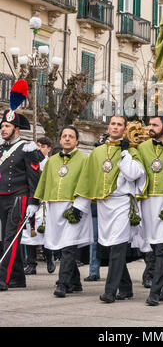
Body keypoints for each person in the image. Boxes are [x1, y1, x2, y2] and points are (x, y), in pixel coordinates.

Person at [74, 115, 146, 303]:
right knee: (110, 246)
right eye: (113, 124)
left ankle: (110, 291)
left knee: (118, 247)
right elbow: (87, 179)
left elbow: (133, 174)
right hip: (104, 205)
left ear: (124, 129)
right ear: (108, 127)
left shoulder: (131, 150)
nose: (115, 127)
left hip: (122, 203)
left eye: (119, 125)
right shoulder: (97, 153)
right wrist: (79, 206)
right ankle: (127, 288)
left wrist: (125, 154)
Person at [27, 126, 93, 298]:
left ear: (77, 140)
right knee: (61, 245)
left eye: (71, 136)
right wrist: (35, 201)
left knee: (68, 246)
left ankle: (63, 283)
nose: (67, 139)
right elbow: (43, 182)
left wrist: (79, 207)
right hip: (55, 208)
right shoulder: (52, 160)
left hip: (74, 206)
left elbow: (87, 182)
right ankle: (76, 282)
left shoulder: (85, 159)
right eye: (64, 136)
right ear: (60, 139)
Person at [138, 115, 163, 307]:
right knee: (155, 247)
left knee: (162, 248)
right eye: (149, 125)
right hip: (147, 203)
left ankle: (155, 292)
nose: (150, 128)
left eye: (155, 125)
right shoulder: (142, 147)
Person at [0, 110, 41, 291]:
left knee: (11, 238)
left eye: (7, 126)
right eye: (2, 126)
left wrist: (33, 201)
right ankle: (17, 278)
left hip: (18, 197)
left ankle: (3, 278)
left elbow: (34, 177)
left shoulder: (26, 148)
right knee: (3, 239)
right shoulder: (1, 148)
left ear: (16, 129)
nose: (3, 129)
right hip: (1, 197)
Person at [21, 136, 56, 275]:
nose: (39, 149)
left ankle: (49, 256)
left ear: (49, 149)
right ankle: (31, 264)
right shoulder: (30, 161)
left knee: (44, 231)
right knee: (29, 232)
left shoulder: (50, 163)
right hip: (31, 200)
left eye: (42, 146)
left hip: (45, 202)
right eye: (38, 146)